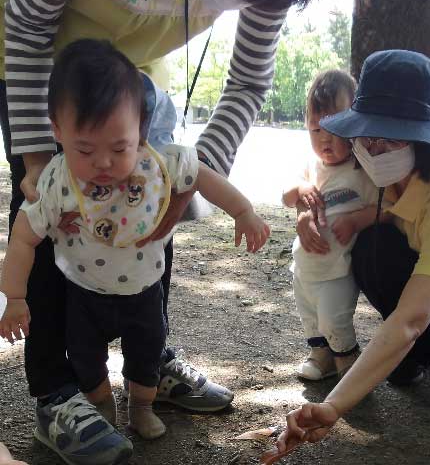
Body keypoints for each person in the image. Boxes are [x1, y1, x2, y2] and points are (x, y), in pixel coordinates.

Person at [0, 0, 339, 464]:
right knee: (56, 218)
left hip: (132, 78)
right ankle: (58, 395)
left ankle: (148, 363)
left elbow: (245, 87)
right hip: (49, 66)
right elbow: (26, 26)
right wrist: (38, 166)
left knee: (147, 198)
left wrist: (187, 193)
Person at [0, 39, 270, 450]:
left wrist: (243, 211)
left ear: (140, 128)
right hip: (82, 294)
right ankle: (101, 410)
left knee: (147, 356)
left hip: (144, 292)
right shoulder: (57, 180)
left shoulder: (158, 162)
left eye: (119, 147)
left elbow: (201, 173)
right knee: (86, 363)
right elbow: (23, 236)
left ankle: (141, 407)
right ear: (57, 130)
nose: (103, 163)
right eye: (85, 149)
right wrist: (14, 297)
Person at [275, 49, 430, 457]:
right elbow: (322, 199)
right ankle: (415, 355)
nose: (372, 150)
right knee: (370, 250)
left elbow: (412, 317)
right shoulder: (374, 166)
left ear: (423, 138)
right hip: (422, 268)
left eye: (389, 138)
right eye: (365, 136)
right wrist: (305, 218)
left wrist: (335, 404)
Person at [282, 70, 380, 381]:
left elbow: (385, 208)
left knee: (334, 319)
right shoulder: (310, 168)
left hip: (339, 267)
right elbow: (286, 196)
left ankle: (348, 360)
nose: (325, 140)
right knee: (310, 318)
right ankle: (320, 356)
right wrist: (300, 192)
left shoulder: (361, 170)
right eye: (315, 130)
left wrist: (355, 220)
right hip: (305, 267)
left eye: (336, 130)